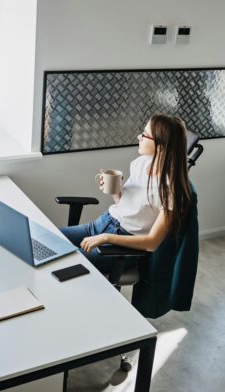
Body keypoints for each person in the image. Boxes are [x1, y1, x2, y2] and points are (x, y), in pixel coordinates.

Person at [60, 113, 192, 274]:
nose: (139, 137)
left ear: (160, 146)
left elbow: (152, 243)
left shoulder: (170, 190)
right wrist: (115, 190)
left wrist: (106, 238)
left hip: (122, 245)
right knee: (47, 239)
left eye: (144, 135)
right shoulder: (140, 163)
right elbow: (125, 206)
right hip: (102, 223)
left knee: (65, 263)